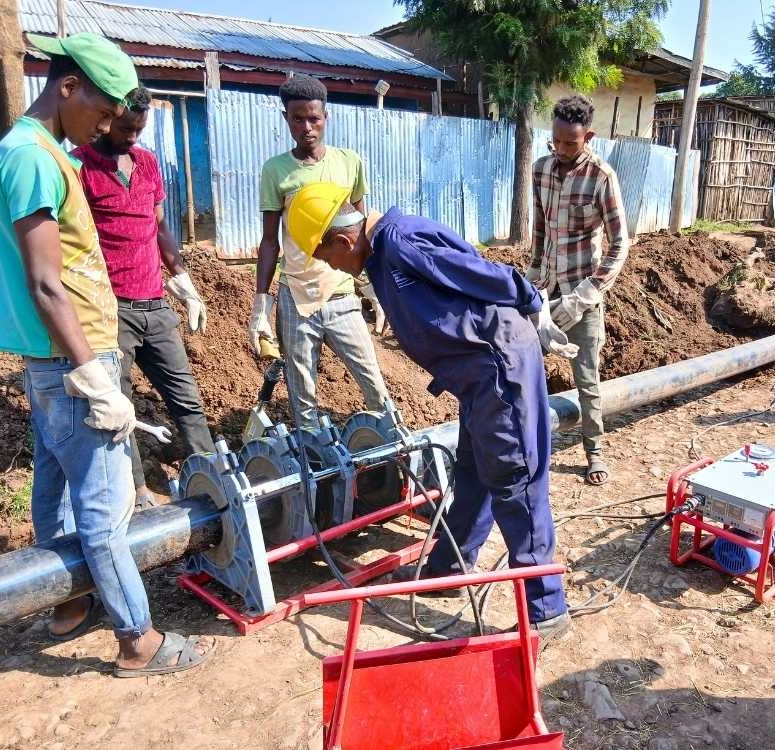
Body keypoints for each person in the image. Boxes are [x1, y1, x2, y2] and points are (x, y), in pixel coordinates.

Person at [0, 32, 211, 676]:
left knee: (54, 485)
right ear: (67, 87)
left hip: (53, 360)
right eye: (104, 112)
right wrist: (93, 372)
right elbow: (47, 281)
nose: (107, 126)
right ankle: (137, 638)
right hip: (71, 359)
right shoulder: (34, 158)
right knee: (106, 504)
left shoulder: (38, 150)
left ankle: (67, 602)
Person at [282, 182, 575, 637]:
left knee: (515, 480)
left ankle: (546, 608)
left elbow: (477, 272)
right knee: (475, 473)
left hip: (495, 367)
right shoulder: (381, 256)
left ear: (343, 240)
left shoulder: (401, 243)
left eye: (327, 258)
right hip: (473, 377)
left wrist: (533, 304)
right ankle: (449, 568)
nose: (333, 268)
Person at [72, 86, 214, 509]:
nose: (133, 136)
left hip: (154, 304)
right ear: (108, 116)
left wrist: (182, 277)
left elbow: (159, 226)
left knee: (186, 396)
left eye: (140, 128)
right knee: (121, 404)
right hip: (109, 310)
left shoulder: (147, 163)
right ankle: (136, 491)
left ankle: (210, 471)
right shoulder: (80, 166)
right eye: (126, 127)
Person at [249, 73, 390, 428]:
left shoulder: (349, 163)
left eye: (314, 118)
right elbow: (270, 241)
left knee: (375, 385)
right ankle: (316, 464)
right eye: (298, 118)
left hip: (342, 296)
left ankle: (393, 452)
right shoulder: (276, 171)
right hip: (296, 297)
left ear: (326, 116)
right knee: (304, 400)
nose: (307, 127)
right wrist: (261, 304)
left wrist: (374, 286)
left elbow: (361, 229)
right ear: (286, 119)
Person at [529, 94, 629, 487]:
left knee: (586, 379)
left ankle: (594, 451)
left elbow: (621, 243)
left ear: (588, 136)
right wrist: (532, 279)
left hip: (582, 295)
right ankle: (528, 444)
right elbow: (539, 231)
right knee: (524, 369)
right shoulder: (540, 171)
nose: (562, 149)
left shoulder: (602, 176)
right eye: (556, 141)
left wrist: (586, 294)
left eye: (571, 142)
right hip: (544, 293)